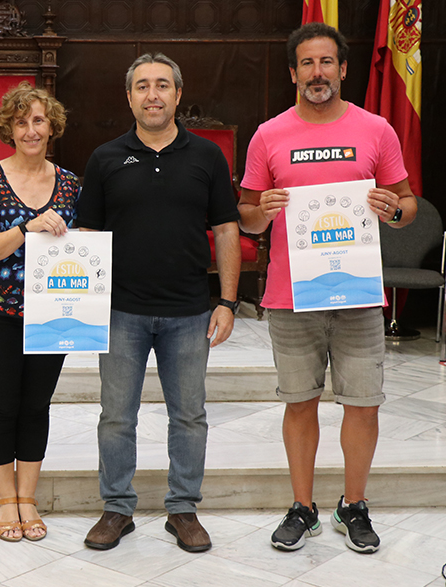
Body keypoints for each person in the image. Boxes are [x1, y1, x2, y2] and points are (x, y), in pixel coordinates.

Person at [238, 23, 416, 554]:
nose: (318, 73)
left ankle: (353, 506)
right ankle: (302, 507)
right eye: (307, 64)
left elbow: (406, 204)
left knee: (363, 404)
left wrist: (394, 210)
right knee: (300, 403)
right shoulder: (269, 134)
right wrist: (260, 211)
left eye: (327, 63)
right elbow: (245, 216)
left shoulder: (376, 129)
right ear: (293, 73)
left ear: (343, 69)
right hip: (292, 297)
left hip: (358, 295)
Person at [77, 53, 241, 553]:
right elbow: (86, 234)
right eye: (143, 86)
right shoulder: (104, 158)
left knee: (189, 415)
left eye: (162, 85)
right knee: (116, 416)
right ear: (129, 97)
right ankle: (117, 509)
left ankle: (183, 509)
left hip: (190, 312)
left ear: (177, 94)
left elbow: (227, 230)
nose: (153, 94)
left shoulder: (208, 156)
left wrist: (228, 301)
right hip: (119, 311)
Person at [0, 81, 80, 542]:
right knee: (3, 404)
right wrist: (28, 228)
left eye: (38, 120)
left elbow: (83, 245)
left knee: (36, 406)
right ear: (8, 128)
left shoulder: (70, 183)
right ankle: (5, 499)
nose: (30, 129)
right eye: (20, 121)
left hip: (55, 314)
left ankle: (27, 498)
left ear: (51, 126)